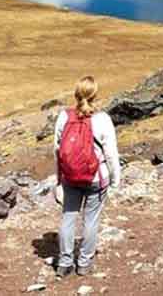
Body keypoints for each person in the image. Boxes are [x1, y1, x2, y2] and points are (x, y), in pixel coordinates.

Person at [54, 76, 121, 278]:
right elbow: (110, 153)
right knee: (90, 220)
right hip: (96, 179)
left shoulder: (64, 117)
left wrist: (58, 180)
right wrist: (116, 179)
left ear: (76, 94)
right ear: (95, 95)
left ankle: (65, 263)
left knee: (68, 218)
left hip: (70, 178)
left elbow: (57, 150)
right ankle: (84, 263)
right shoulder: (102, 119)